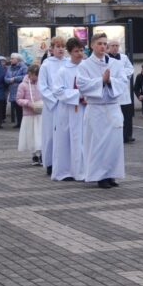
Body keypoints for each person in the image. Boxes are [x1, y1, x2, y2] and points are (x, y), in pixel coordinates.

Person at [77, 33, 128, 189]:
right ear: (92, 45)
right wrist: (101, 81)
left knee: (114, 144)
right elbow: (82, 84)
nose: (103, 46)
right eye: (99, 43)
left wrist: (110, 80)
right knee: (98, 144)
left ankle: (111, 174)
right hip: (96, 109)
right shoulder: (85, 65)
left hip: (112, 107)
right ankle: (100, 176)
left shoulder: (115, 64)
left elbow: (123, 82)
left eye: (105, 44)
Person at [51, 38, 86, 182]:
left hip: (84, 109)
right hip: (66, 110)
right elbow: (58, 91)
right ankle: (64, 171)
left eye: (81, 50)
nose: (80, 54)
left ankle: (82, 171)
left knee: (82, 139)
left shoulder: (86, 68)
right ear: (70, 52)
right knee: (64, 140)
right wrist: (78, 95)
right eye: (76, 51)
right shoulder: (63, 70)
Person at [37, 37, 68, 175]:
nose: (61, 49)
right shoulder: (46, 65)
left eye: (63, 46)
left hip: (66, 104)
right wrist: (55, 100)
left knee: (65, 135)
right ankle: (50, 163)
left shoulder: (68, 63)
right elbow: (42, 87)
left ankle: (64, 162)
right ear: (52, 49)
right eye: (58, 46)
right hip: (53, 105)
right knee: (50, 135)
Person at [14, 63, 44, 166]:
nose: (37, 77)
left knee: (40, 135)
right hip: (29, 115)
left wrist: (43, 103)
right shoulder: (23, 85)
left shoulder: (41, 83)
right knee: (31, 136)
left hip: (40, 114)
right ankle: (34, 155)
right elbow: (18, 99)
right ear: (30, 74)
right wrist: (28, 103)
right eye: (35, 75)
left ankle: (41, 154)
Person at [107, 39, 135, 144]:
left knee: (127, 115)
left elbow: (130, 69)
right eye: (113, 45)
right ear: (109, 47)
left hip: (124, 91)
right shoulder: (106, 58)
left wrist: (122, 74)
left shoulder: (124, 57)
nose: (115, 47)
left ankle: (128, 135)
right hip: (113, 89)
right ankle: (115, 135)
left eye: (116, 45)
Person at [5, 53, 28, 128]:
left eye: (12, 58)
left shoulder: (23, 67)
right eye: (11, 58)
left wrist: (14, 79)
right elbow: (5, 78)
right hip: (13, 90)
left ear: (17, 59)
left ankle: (23, 123)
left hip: (20, 90)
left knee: (21, 107)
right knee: (16, 107)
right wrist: (9, 80)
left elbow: (25, 76)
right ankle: (19, 123)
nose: (10, 60)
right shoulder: (9, 68)